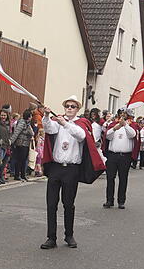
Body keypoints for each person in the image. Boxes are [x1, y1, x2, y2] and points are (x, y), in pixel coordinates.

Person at [39, 96, 104, 249]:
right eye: (67, 106)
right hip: (56, 167)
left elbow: (81, 135)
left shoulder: (82, 123)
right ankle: (51, 237)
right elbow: (48, 128)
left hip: (71, 169)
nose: (69, 108)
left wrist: (65, 123)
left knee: (68, 204)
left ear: (77, 109)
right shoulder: (58, 123)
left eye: (72, 106)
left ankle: (69, 235)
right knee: (51, 204)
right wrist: (47, 115)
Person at [102, 110, 135, 209]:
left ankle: (121, 201)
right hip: (112, 155)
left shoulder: (131, 126)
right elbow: (107, 136)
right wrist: (115, 128)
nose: (122, 116)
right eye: (120, 114)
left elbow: (132, 135)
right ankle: (109, 200)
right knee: (110, 178)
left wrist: (125, 125)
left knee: (123, 179)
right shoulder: (113, 125)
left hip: (125, 156)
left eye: (124, 114)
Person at [9, 109, 33, 181]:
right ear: (28, 116)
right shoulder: (22, 123)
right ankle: (17, 175)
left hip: (26, 144)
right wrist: (11, 141)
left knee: (24, 160)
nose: (31, 117)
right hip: (20, 143)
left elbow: (32, 133)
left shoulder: (27, 123)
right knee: (19, 160)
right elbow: (16, 132)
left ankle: (23, 174)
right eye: (31, 116)